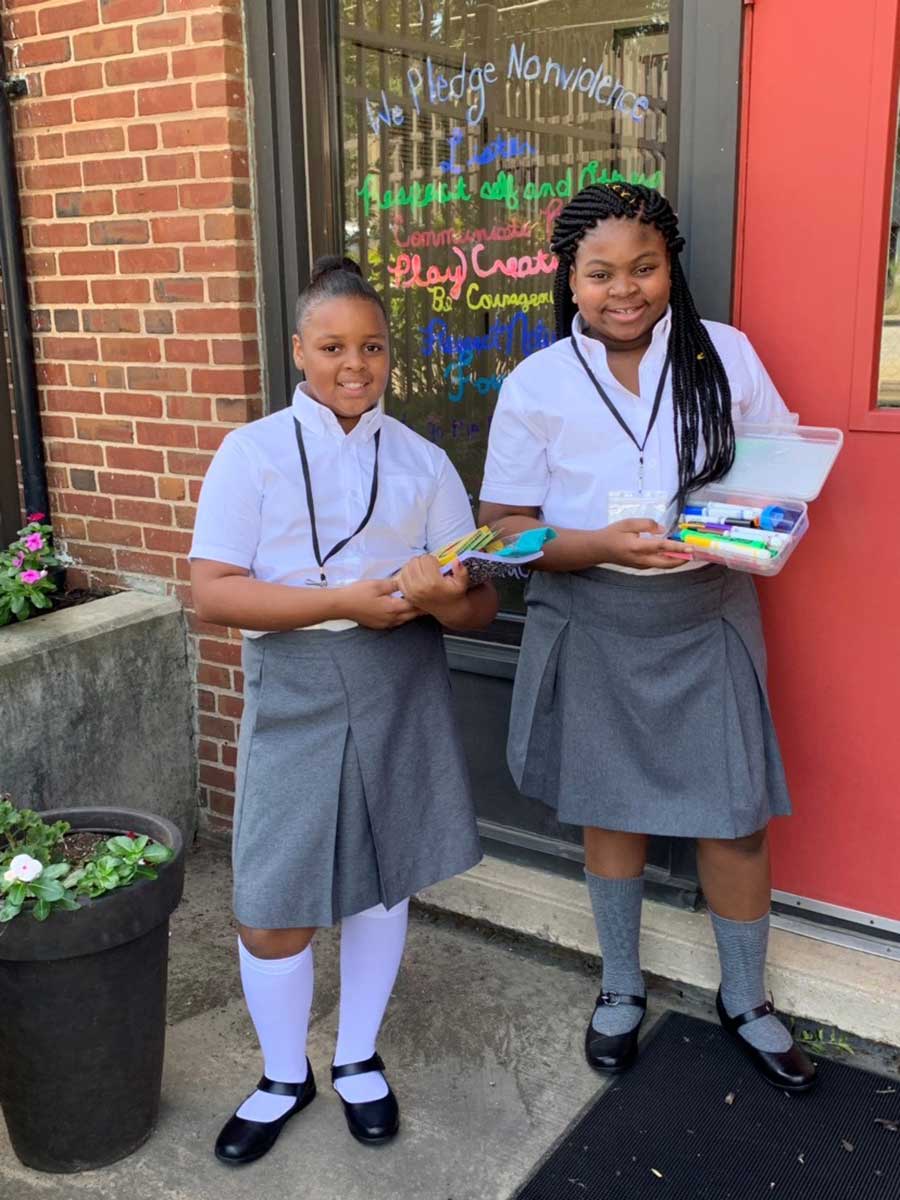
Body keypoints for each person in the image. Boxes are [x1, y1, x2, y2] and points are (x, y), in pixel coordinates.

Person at [479, 184, 816, 1092]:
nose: (623, 290)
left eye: (644, 267)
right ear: (570, 279)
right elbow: (502, 529)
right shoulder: (537, 384)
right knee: (610, 811)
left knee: (737, 820)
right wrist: (592, 544)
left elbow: (779, 476)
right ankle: (620, 986)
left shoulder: (727, 357)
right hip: (593, 617)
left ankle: (745, 999)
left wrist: (746, 531)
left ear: (671, 269)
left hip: (706, 615)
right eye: (600, 273)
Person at [190, 255, 497, 1166]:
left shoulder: (424, 460)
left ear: (389, 352)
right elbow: (214, 592)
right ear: (299, 350)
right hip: (297, 685)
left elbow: (478, 601)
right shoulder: (249, 453)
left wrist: (439, 597)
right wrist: (341, 604)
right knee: (272, 899)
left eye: (370, 345)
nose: (353, 364)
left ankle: (359, 1057)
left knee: (383, 874)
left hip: (400, 678)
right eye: (332, 346)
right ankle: (285, 1074)